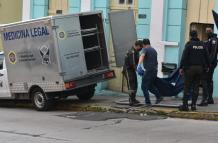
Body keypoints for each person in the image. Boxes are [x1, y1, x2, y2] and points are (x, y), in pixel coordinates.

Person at [179, 30, 210, 111]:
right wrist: (208, 66)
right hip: (200, 69)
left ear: (190, 36)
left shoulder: (189, 44)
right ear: (197, 35)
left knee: (187, 87)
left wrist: (181, 67)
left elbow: (184, 56)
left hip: (190, 69)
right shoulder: (203, 45)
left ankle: (185, 106)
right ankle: (193, 106)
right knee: (196, 87)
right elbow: (207, 56)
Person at [137, 39, 163, 106]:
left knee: (144, 87)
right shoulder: (154, 50)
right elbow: (156, 62)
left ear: (143, 44)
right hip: (154, 71)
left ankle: (148, 102)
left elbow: (142, 56)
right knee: (150, 86)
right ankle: (159, 96)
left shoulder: (145, 49)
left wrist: (139, 65)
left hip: (149, 71)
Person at [199, 28, 217, 106]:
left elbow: (213, 53)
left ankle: (205, 99)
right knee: (209, 80)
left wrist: (208, 64)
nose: (207, 33)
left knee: (205, 80)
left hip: (210, 63)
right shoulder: (209, 40)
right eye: (206, 32)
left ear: (211, 31)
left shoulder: (214, 40)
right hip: (211, 63)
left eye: (208, 31)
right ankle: (209, 98)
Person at [123, 40, 143, 106]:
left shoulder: (135, 51)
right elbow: (133, 64)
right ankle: (131, 101)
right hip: (128, 70)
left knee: (135, 85)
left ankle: (133, 99)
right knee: (131, 86)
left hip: (132, 70)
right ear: (137, 46)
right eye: (140, 47)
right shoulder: (132, 52)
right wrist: (139, 71)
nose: (141, 49)